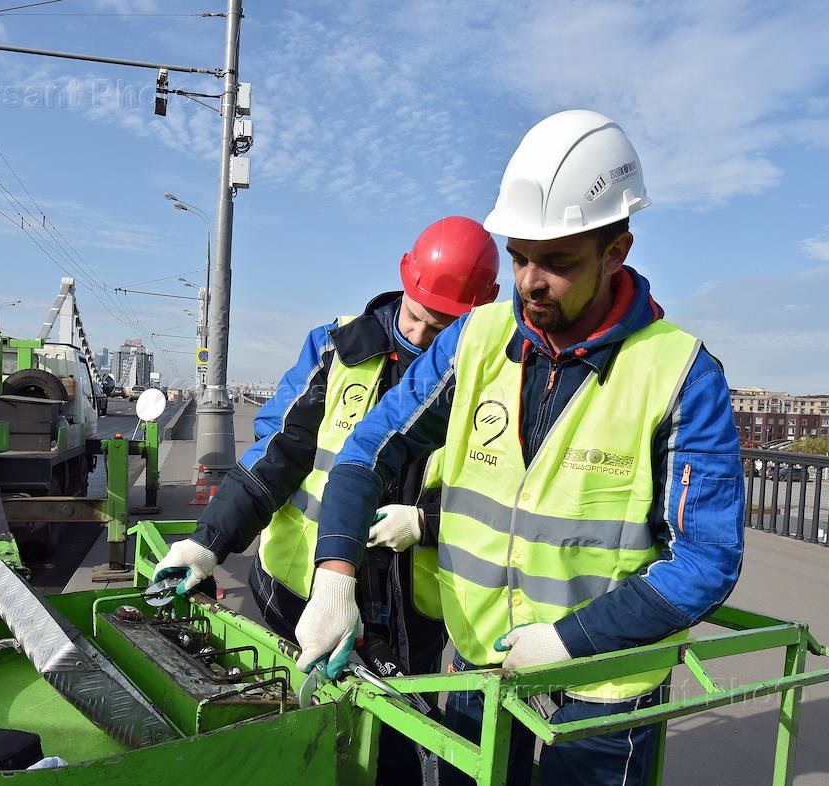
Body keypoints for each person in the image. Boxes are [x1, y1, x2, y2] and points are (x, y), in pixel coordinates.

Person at [294, 110, 746, 786]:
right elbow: (367, 450)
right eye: (519, 257)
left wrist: (570, 641)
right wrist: (335, 577)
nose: (530, 282)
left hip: (602, 689)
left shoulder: (680, 374)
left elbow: (706, 560)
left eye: (557, 263)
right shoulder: (474, 339)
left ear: (615, 252)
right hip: (480, 667)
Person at [153, 216, 500, 784]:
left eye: (443, 331)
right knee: (288, 730)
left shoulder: (490, 373)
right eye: (417, 319)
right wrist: (206, 542)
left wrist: (427, 522)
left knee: (391, 744)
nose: (421, 339)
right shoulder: (337, 349)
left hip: (407, 606)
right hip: (298, 592)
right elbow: (277, 458)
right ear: (404, 282)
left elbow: (508, 496)